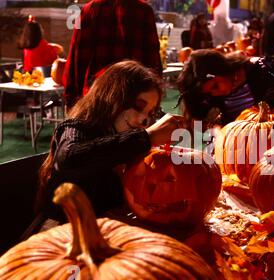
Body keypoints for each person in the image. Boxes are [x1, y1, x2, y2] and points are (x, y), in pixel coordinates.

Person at [36, 60, 185, 224]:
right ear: (112, 96)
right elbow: (70, 158)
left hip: (105, 227)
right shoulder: (76, 128)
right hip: (61, 232)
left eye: (149, 113)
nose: (144, 119)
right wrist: (148, 137)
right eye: (138, 106)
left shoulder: (125, 140)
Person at [63, 0, 162, 109]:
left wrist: (72, 101)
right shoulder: (144, 11)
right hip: (133, 103)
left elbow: (76, 59)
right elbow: (153, 63)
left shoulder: (87, 10)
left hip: (95, 101)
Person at [177, 49, 274, 127]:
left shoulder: (261, 69)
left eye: (215, 85)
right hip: (240, 145)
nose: (215, 93)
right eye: (209, 92)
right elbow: (201, 122)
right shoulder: (212, 97)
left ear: (221, 68)